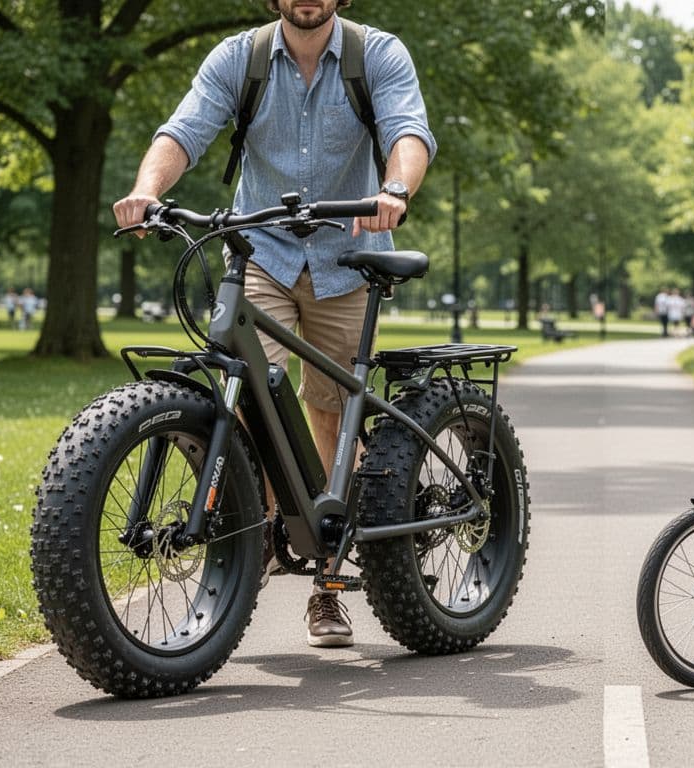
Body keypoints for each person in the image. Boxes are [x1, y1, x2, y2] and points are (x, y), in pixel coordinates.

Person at [112, 0, 436, 648]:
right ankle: (254, 535)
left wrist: (396, 189)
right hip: (260, 255)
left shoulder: (377, 55)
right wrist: (147, 189)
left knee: (328, 414)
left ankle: (328, 585)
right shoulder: (242, 58)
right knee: (251, 394)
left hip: (347, 260)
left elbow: (409, 133)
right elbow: (185, 130)